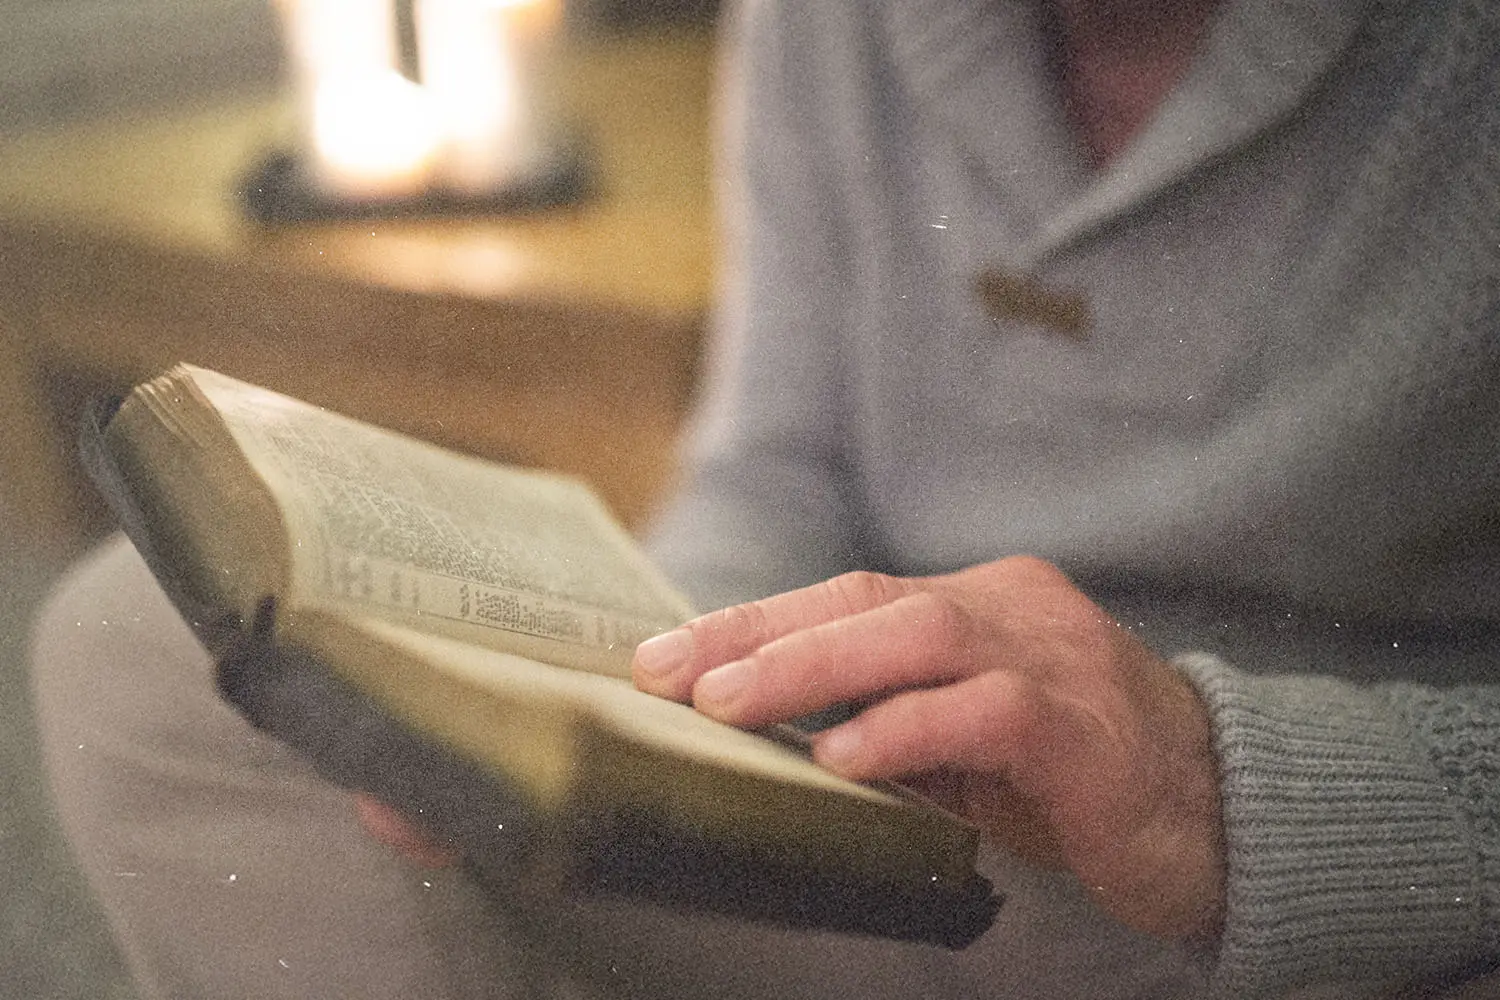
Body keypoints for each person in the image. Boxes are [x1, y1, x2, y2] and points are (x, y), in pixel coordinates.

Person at [30, 0, 1500, 997]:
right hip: (921, 811)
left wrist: (1204, 787)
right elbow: (777, 460)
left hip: (1342, 881)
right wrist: (629, 680)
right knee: (141, 638)